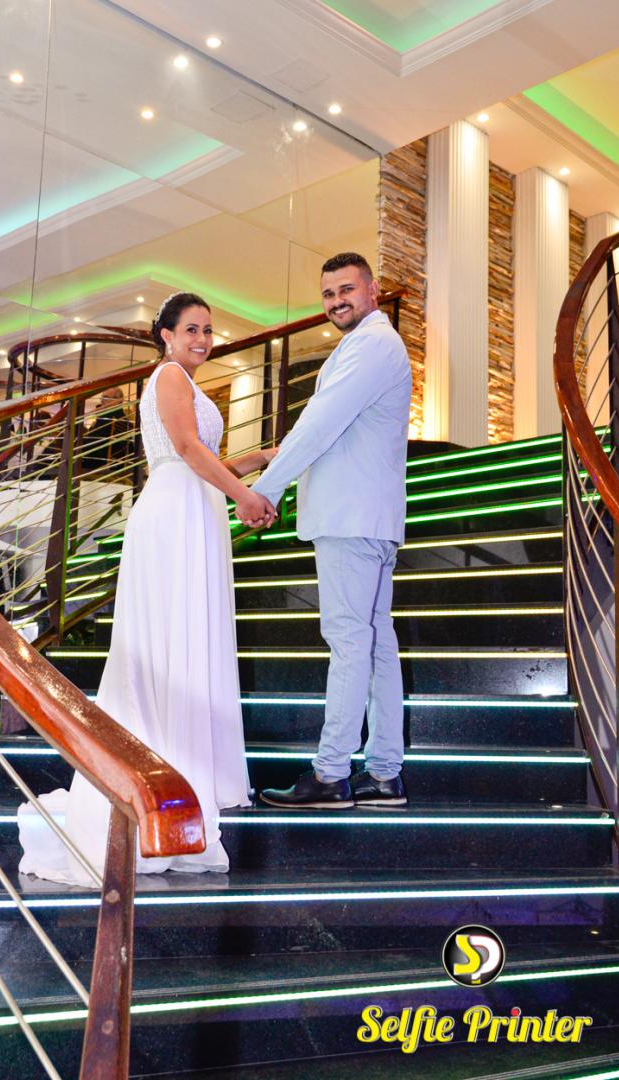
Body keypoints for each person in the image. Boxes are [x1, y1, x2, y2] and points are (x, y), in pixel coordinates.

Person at [18, 292, 277, 882]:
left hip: (194, 508)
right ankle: (160, 776)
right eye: (191, 329)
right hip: (174, 515)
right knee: (168, 643)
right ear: (166, 335)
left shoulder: (186, 383)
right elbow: (184, 450)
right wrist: (243, 496)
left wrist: (259, 457)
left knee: (187, 640)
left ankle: (182, 775)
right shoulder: (169, 375)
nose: (202, 339)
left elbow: (200, 459)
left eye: (208, 330)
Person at [244, 252, 411, 809]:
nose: (337, 301)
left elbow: (319, 424)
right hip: (369, 520)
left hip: (351, 520)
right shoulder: (370, 344)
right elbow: (334, 430)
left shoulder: (371, 344)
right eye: (328, 293)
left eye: (347, 289)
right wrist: (274, 465)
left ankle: (332, 772)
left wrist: (267, 489)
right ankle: (383, 774)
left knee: (350, 643)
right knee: (375, 645)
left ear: (373, 290)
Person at [80, 386, 133, 475]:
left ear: (119, 400)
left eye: (106, 398)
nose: (102, 401)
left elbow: (94, 443)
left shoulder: (108, 418)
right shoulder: (124, 420)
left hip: (99, 466)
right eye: (102, 398)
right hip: (115, 466)